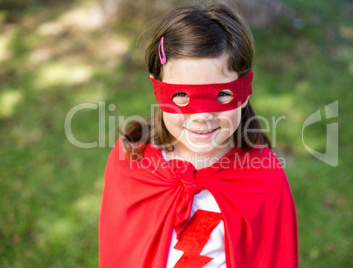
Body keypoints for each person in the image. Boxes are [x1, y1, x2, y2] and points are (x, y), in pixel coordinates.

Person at [99, 4, 298, 268]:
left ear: (245, 90)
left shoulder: (263, 179)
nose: (202, 116)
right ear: (157, 89)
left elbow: (273, 257)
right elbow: (120, 251)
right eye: (181, 96)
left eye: (221, 94)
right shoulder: (132, 161)